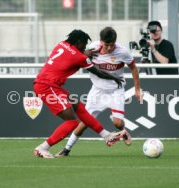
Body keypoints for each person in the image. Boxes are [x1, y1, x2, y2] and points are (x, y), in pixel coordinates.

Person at [33, 29, 131, 159]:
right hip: (47, 86)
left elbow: (73, 54)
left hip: (50, 85)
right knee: (72, 122)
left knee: (80, 108)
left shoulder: (62, 44)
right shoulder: (79, 57)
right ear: (78, 42)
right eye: (84, 44)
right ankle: (43, 147)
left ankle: (106, 136)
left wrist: (85, 53)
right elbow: (98, 72)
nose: (85, 47)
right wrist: (114, 78)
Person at [55, 27, 142, 157]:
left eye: (112, 45)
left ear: (115, 42)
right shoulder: (93, 48)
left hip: (115, 91)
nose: (109, 48)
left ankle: (123, 130)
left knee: (117, 123)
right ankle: (66, 149)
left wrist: (137, 89)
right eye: (106, 45)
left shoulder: (122, 52)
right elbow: (79, 58)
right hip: (97, 92)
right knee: (84, 124)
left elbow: (133, 68)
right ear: (100, 41)